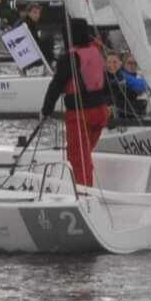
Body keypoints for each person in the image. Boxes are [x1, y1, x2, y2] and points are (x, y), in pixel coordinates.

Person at [40, 18, 111, 186]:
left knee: (77, 158)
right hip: (101, 112)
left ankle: (84, 194)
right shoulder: (96, 52)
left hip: (80, 115)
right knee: (82, 154)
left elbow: (56, 85)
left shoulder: (70, 58)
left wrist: (46, 110)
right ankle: (84, 188)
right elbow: (105, 81)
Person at [105, 51, 150, 123]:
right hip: (115, 113)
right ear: (122, 64)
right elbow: (140, 86)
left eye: (135, 63)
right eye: (130, 63)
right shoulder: (123, 75)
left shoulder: (127, 75)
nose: (133, 66)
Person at [20, 2, 56, 66]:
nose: (37, 15)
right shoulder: (27, 25)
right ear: (28, 13)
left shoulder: (29, 24)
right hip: (29, 58)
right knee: (48, 39)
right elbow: (34, 44)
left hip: (27, 57)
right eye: (34, 12)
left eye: (39, 13)